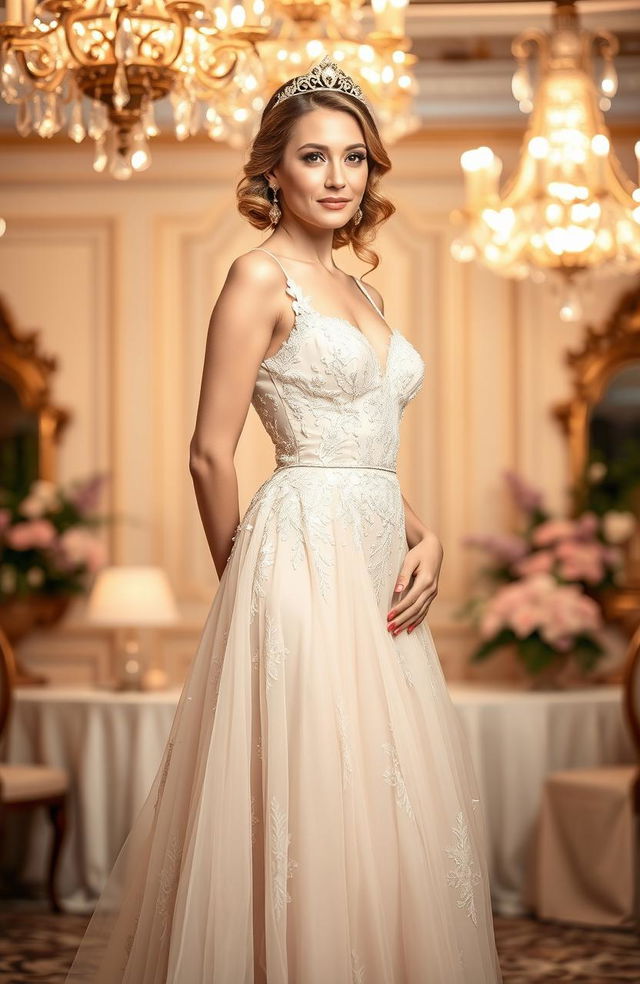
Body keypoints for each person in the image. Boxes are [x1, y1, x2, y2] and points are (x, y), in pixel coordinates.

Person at [65, 55, 503, 983]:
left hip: (376, 555)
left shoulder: (368, 294)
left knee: (382, 796)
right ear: (274, 171)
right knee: (308, 785)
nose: (339, 177)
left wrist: (422, 534)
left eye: (355, 158)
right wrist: (248, 591)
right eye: (315, 157)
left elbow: (360, 449)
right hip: (297, 566)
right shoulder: (258, 278)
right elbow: (207, 452)